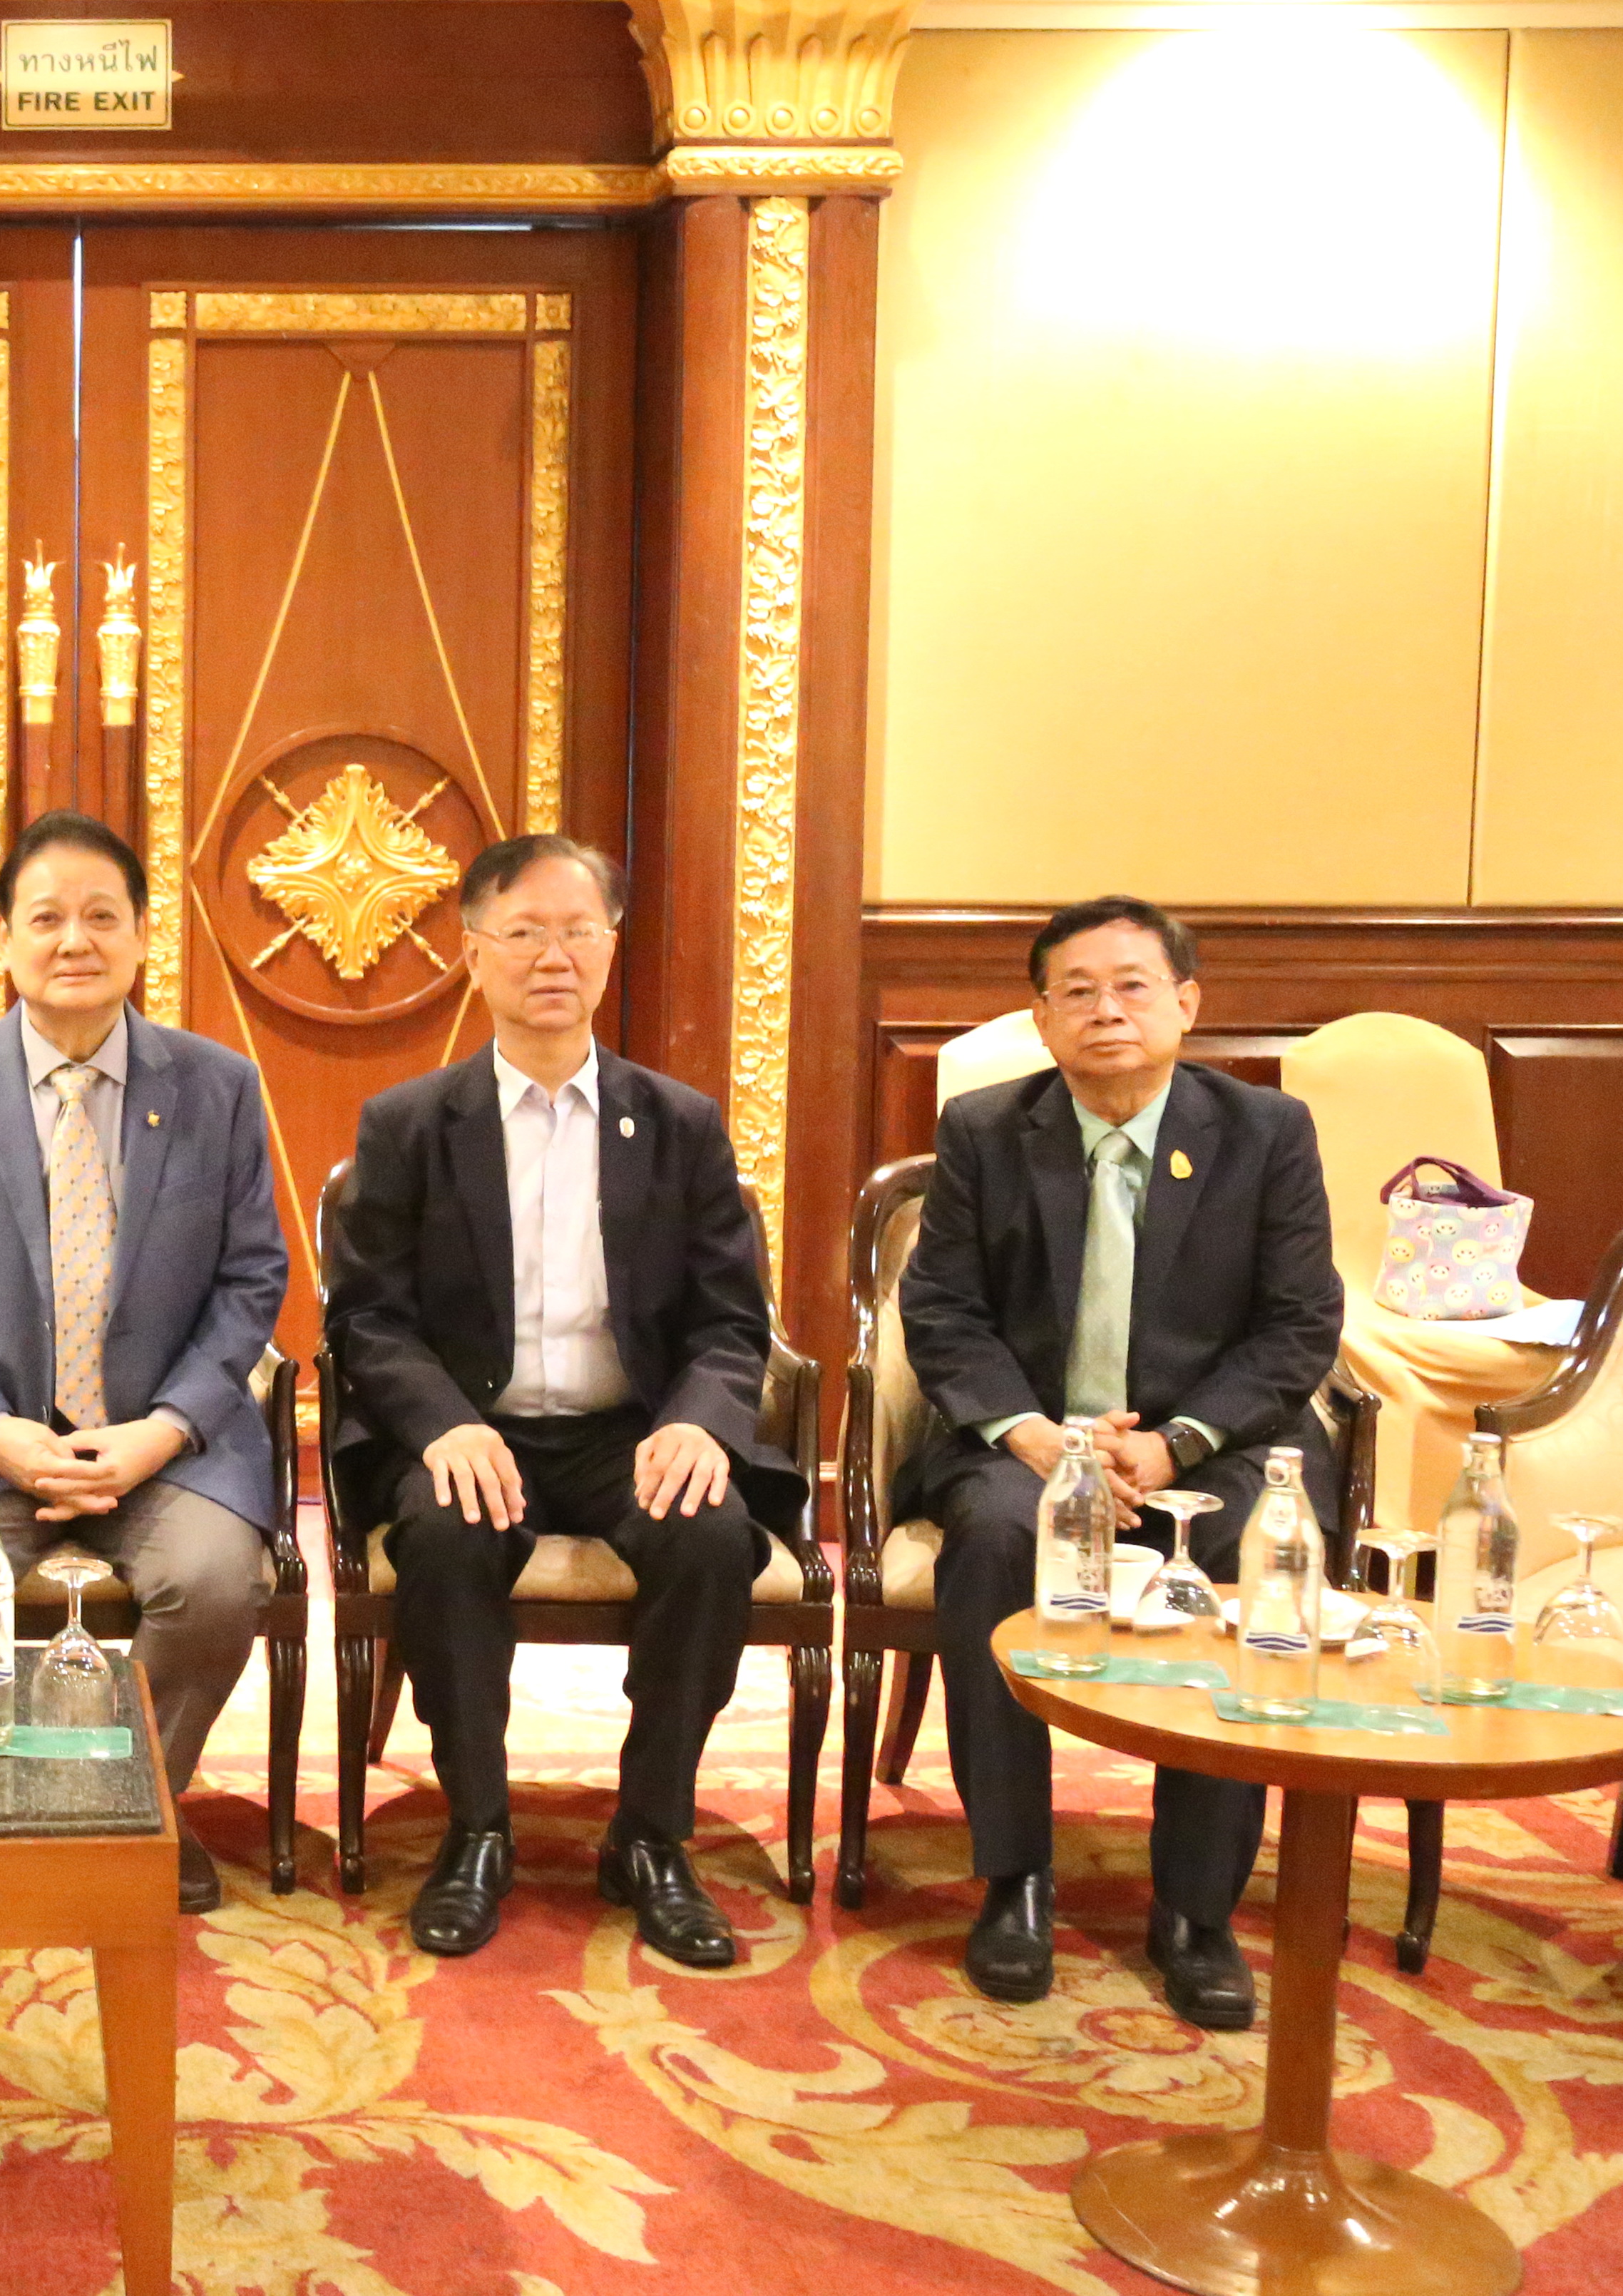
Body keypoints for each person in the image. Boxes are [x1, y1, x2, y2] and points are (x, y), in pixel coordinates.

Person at [323, 835, 797, 1968]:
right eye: (525, 932)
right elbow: (368, 1317)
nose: (554, 956)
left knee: (708, 1535)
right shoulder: (409, 1124)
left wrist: (697, 1421)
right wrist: (443, 1425)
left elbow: (731, 1320)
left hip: (629, 1431)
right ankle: (475, 1829)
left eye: (578, 931)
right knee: (443, 1534)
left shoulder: (677, 1124)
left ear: (609, 947)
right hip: (472, 1431)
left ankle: (650, 1836)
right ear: (472, 953)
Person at [897, 894, 1341, 2029]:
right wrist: (1030, 1434)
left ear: (1184, 1004)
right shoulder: (985, 1131)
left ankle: (1195, 1908)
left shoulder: (1264, 1133)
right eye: (1077, 992)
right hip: (1033, 1439)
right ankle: (1014, 1878)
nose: (1106, 1011)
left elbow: (1297, 1325)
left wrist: (1171, 1444)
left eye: (1132, 986)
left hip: (1211, 1441)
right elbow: (941, 1311)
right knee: (996, 1534)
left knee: (1250, 1545)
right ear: (1042, 1019)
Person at [0, 811, 288, 1915]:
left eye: (102, 916)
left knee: (212, 1584)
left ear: (142, 935)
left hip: (163, 1439)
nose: (74, 941)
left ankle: (137, 1810)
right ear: (3, 938)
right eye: (45, 917)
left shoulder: (218, 1086)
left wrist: (162, 1431)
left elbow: (252, 1281)